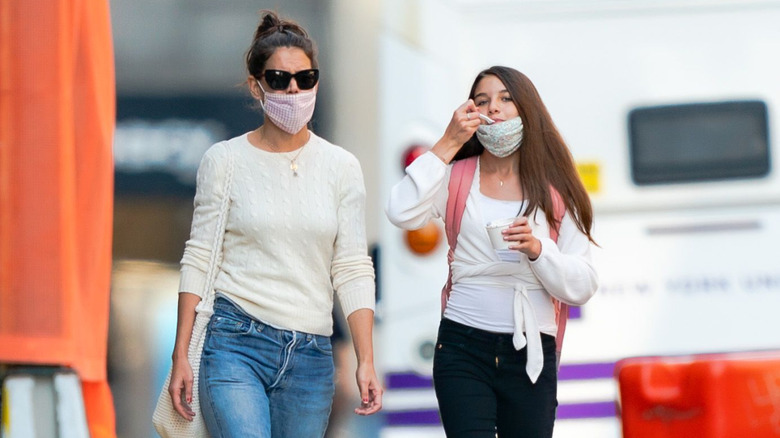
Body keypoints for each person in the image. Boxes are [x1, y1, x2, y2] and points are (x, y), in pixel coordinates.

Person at [167, 10, 382, 437]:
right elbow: (200, 256)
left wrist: (365, 359)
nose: (294, 89)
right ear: (256, 85)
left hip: (311, 352)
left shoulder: (341, 167)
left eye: (306, 78)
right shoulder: (224, 160)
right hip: (235, 341)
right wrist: (181, 355)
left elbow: (353, 267)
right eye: (280, 79)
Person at [385, 66, 598, 438]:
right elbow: (400, 210)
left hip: (532, 351)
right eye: (482, 101)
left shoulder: (557, 189)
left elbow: (582, 285)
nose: (494, 108)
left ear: (526, 111)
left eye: (505, 99)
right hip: (462, 344)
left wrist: (538, 250)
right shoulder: (456, 176)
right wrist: (448, 143)